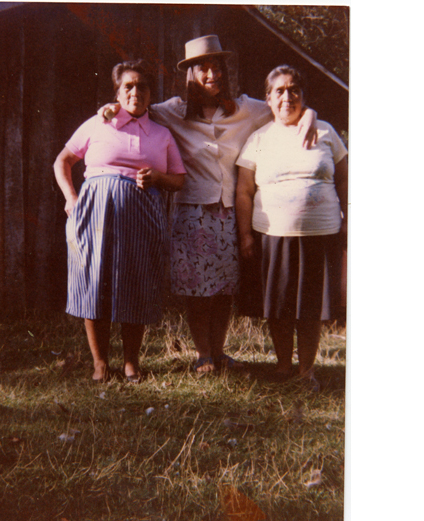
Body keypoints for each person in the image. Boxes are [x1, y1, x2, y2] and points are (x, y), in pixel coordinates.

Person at [100, 35, 317, 374]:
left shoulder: (247, 109)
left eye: (217, 68)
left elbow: (284, 107)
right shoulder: (171, 112)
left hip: (230, 212)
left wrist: (310, 115)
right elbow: (135, 107)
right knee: (197, 289)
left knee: (224, 288)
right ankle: (203, 355)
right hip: (193, 212)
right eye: (203, 69)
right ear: (191, 74)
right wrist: (111, 108)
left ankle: (219, 352)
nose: (212, 75)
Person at [53, 60, 186, 383]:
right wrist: (72, 199)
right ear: (117, 92)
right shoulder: (99, 124)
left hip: (142, 215)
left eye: (142, 86)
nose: (135, 92)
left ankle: (130, 362)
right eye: (128, 86)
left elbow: (179, 180)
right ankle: (100, 362)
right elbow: (63, 161)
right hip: (95, 213)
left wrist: (157, 177)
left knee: (136, 283)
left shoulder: (161, 133)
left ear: (151, 93)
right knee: (93, 281)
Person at [235, 65, 348, 391]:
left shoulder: (325, 131)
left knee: (310, 307)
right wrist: (245, 235)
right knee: (280, 305)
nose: (288, 96)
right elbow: (244, 190)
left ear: (303, 95)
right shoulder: (259, 138)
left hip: (320, 233)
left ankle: (306, 370)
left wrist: (349, 220)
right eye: (280, 91)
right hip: (273, 235)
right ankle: (284, 366)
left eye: (294, 89)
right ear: (268, 99)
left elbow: (344, 178)